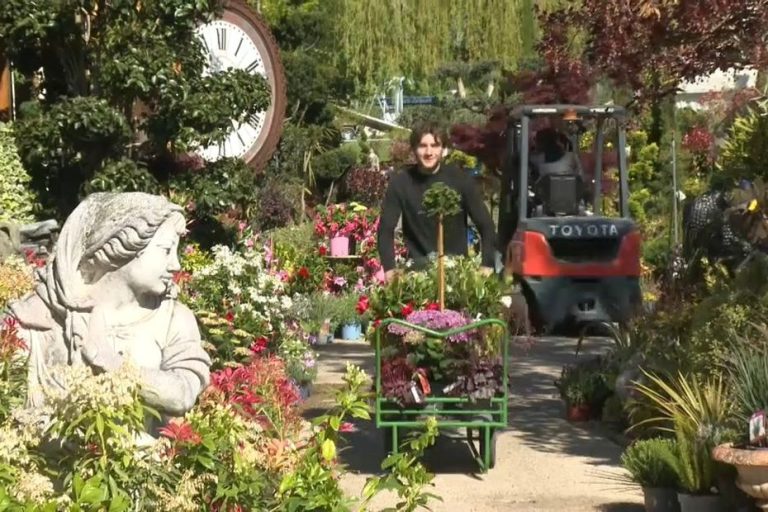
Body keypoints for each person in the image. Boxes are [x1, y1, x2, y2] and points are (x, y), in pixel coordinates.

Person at [8, 192, 211, 431]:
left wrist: (112, 363)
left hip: (138, 465)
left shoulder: (173, 318)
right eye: (166, 250)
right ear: (122, 247)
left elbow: (182, 393)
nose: (176, 265)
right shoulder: (41, 315)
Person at [377, 121, 496, 281]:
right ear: (414, 149)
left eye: (434, 145)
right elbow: (385, 229)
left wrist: (487, 265)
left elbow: (486, 224)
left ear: (444, 149)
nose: (429, 152)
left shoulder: (460, 180)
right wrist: (390, 269)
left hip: (456, 272)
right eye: (422, 146)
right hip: (417, 273)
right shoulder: (401, 183)